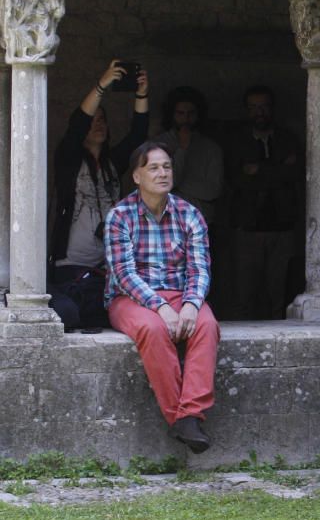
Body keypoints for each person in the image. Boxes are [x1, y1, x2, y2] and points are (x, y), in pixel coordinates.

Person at [105, 141, 220, 453]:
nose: (162, 173)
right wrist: (161, 308)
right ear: (137, 177)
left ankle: (191, 413)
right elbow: (124, 274)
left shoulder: (189, 214)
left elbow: (199, 268)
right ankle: (180, 419)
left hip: (180, 294)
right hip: (130, 298)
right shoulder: (120, 216)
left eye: (167, 166)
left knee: (207, 327)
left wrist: (191, 305)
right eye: (153, 167)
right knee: (152, 329)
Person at [49, 60, 150, 330]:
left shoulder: (112, 164)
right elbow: (76, 125)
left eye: (103, 120)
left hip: (107, 264)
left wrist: (141, 93)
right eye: (94, 121)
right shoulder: (68, 159)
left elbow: (138, 135)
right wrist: (102, 84)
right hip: (70, 264)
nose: (99, 125)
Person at [226, 85, 304, 320]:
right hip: (247, 227)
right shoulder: (236, 141)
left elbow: (296, 174)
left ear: (272, 109)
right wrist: (279, 169)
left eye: (264, 107)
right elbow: (236, 179)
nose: (259, 112)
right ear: (246, 111)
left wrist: (258, 171)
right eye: (253, 108)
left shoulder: (287, 138)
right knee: (244, 292)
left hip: (282, 226)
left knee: (280, 291)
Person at [153, 86, 224, 227]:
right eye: (180, 113)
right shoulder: (157, 145)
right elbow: (157, 187)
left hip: (200, 225)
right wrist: (182, 150)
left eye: (191, 113)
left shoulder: (211, 148)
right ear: (172, 115)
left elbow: (213, 191)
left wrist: (177, 183)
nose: (186, 119)